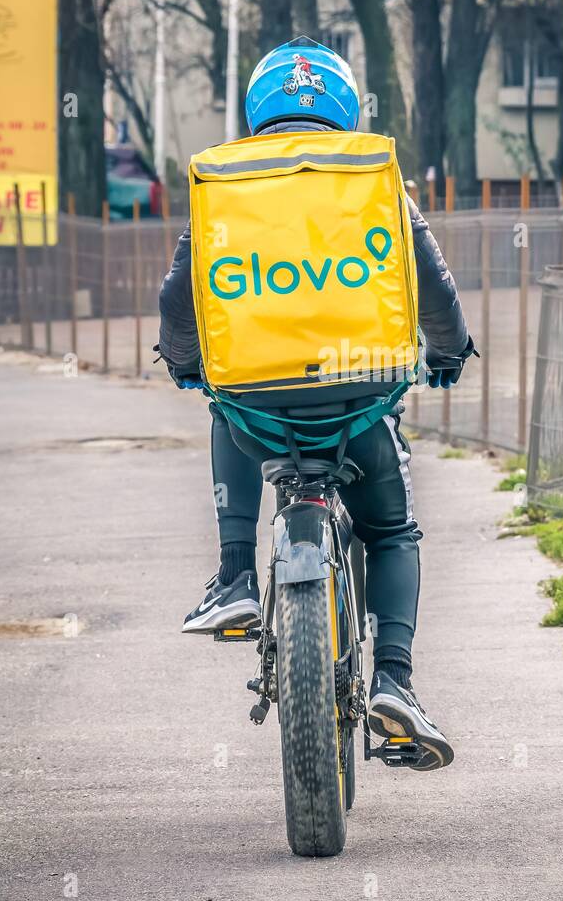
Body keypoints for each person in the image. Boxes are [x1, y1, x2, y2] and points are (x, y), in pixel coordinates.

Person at [158, 37, 474, 771]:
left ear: (256, 107)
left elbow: (180, 294)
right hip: (359, 399)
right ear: (342, 105)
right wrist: (449, 351)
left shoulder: (226, 181)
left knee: (221, 401)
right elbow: (432, 284)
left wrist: (185, 365)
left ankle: (236, 576)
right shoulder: (373, 178)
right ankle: (394, 678)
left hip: (259, 410)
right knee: (392, 531)